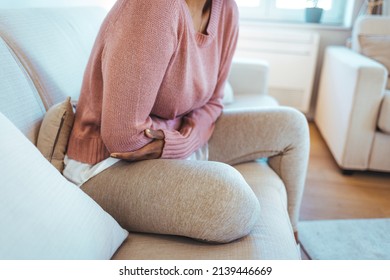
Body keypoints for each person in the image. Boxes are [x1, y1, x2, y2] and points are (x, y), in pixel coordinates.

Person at [64, 0, 309, 244]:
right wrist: (179, 140)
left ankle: (294, 238)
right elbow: (124, 137)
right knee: (231, 202)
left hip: (167, 140)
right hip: (109, 164)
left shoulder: (226, 10)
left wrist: (182, 142)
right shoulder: (154, 7)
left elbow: (214, 102)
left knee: (293, 126)